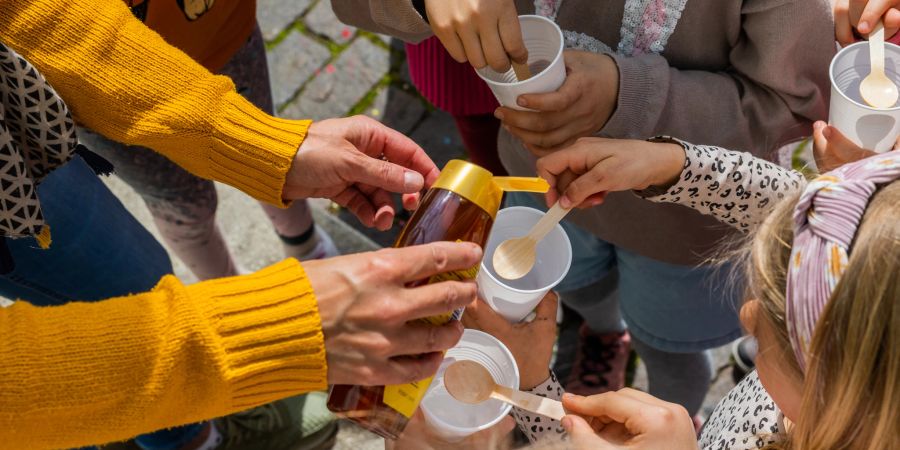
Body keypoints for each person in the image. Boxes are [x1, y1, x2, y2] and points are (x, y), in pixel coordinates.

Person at [0, 1, 479, 449]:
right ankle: (193, 439)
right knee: (136, 275)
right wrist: (272, 329)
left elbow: (31, 12)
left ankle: (192, 420)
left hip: (15, 174)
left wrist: (269, 149)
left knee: (135, 274)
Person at [332, 0, 834, 424]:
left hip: (687, 234)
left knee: (671, 351)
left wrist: (629, 95)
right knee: (579, 288)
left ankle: (666, 416)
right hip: (541, 192)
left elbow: (793, 103)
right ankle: (603, 334)